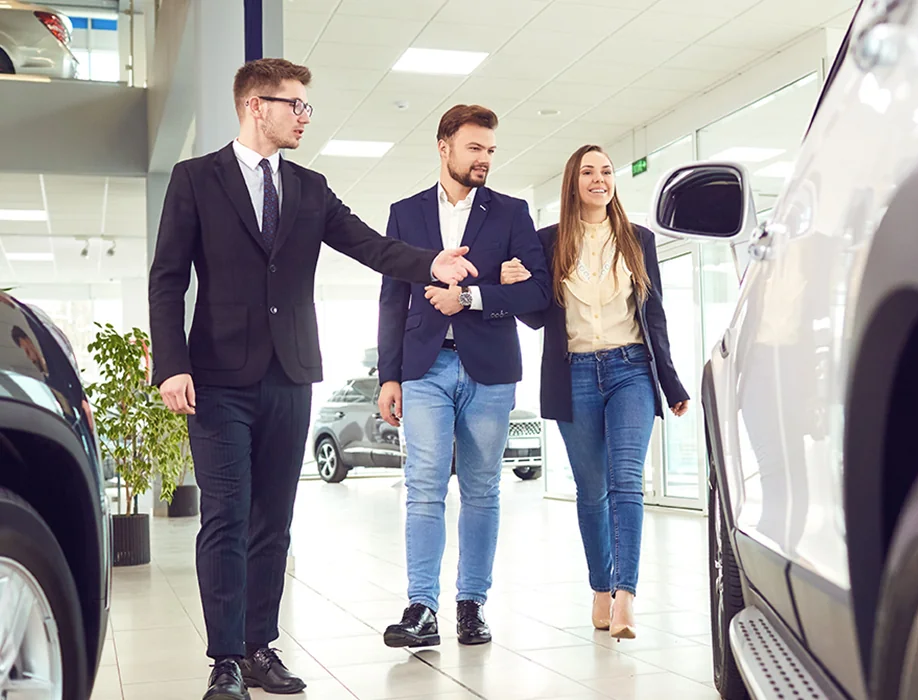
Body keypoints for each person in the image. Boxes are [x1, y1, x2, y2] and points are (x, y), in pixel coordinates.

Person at [147, 58, 477, 700]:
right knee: (225, 517)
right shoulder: (195, 180)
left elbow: (369, 245)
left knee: (274, 517)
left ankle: (258, 645)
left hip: (290, 374)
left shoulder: (309, 187)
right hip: (215, 376)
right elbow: (168, 278)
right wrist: (171, 363)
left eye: (306, 105)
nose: (303, 116)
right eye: (293, 104)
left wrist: (429, 263)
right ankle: (224, 662)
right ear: (254, 106)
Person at [376, 104, 551, 650]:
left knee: (481, 488)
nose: (485, 159)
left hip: (490, 369)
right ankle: (421, 608)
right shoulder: (405, 214)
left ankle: (471, 604)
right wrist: (389, 376)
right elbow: (391, 298)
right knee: (424, 485)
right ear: (444, 146)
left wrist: (472, 295)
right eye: (475, 148)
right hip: (424, 367)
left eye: (491, 150)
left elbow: (536, 293)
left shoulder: (512, 213)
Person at [505, 144, 690, 639]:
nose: (599, 179)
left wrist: (669, 382)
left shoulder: (638, 239)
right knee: (592, 490)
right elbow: (535, 315)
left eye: (606, 171)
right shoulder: (547, 242)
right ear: (573, 183)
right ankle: (601, 588)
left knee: (627, 478)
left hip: (630, 367)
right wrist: (518, 284)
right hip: (574, 373)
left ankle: (626, 595)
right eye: (588, 172)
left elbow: (655, 316)